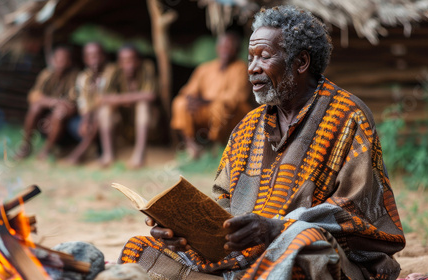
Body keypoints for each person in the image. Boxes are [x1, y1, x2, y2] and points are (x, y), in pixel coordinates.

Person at [119, 6, 405, 280]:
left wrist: (277, 228)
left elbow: (361, 213)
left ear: (301, 62)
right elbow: (225, 206)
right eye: (250, 57)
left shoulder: (348, 116)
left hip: (328, 258)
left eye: (264, 56)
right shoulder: (247, 127)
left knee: (303, 242)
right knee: (139, 250)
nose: (252, 68)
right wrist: (186, 232)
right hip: (244, 258)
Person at [171, 32, 251, 159]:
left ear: (236, 50)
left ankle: (216, 146)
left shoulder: (241, 69)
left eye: (229, 47)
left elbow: (237, 98)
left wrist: (207, 101)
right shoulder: (205, 68)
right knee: (180, 102)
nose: (225, 50)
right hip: (205, 110)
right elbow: (188, 90)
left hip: (232, 114)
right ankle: (191, 147)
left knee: (220, 106)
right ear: (217, 48)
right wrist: (191, 99)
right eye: (223, 46)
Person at [96, 44, 156, 168]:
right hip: (122, 118)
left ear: (139, 61)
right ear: (119, 62)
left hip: (151, 120)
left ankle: (139, 156)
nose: (129, 65)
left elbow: (150, 95)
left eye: (132, 60)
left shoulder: (147, 67)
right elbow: (101, 98)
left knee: (143, 106)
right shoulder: (112, 70)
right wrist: (128, 98)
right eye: (124, 61)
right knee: (104, 110)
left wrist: (120, 98)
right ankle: (108, 155)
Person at [16, 46, 78, 159]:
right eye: (57, 59)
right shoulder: (47, 74)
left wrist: (55, 110)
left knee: (59, 113)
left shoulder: (75, 76)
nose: (60, 63)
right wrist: (54, 102)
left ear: (69, 62)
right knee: (35, 108)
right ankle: (26, 146)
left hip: (66, 120)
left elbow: (72, 105)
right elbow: (34, 96)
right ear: (53, 60)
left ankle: (47, 150)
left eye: (63, 60)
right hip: (47, 116)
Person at [65, 42, 115, 164]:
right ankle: (91, 151)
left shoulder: (112, 72)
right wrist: (86, 120)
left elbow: (109, 100)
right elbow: (83, 102)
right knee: (81, 125)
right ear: (85, 59)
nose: (95, 59)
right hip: (92, 116)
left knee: (101, 116)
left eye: (98, 55)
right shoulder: (84, 77)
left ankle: (79, 154)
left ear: (104, 56)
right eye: (90, 56)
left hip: (111, 116)